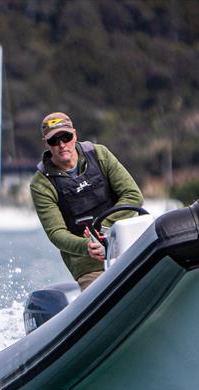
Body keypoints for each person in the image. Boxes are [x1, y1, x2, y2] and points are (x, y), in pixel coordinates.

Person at [30, 112, 143, 291]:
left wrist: (105, 230)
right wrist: (88, 246)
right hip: (89, 264)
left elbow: (133, 195)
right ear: (46, 143)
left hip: (127, 246)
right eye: (54, 141)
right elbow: (57, 233)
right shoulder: (41, 183)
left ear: (74, 135)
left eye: (65, 137)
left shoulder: (100, 154)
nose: (61, 145)